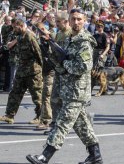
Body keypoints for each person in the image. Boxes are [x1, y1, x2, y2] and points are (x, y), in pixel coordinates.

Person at [26, 9, 103, 164]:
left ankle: (44, 157)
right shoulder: (70, 39)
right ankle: (95, 156)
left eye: (79, 19)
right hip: (68, 89)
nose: (76, 22)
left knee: (61, 123)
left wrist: (64, 63)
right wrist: (50, 47)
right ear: (69, 19)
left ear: (85, 20)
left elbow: (83, 66)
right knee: (83, 126)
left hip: (77, 92)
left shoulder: (84, 41)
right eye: (73, 19)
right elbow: (60, 63)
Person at [0, 19, 43, 124]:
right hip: (21, 71)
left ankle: (40, 117)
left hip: (33, 72)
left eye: (15, 27)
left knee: (37, 95)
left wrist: (40, 69)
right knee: (15, 93)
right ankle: (9, 115)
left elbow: (39, 54)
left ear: (21, 26)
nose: (14, 29)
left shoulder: (30, 37)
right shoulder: (19, 37)